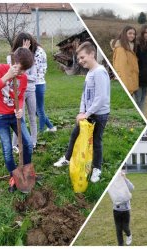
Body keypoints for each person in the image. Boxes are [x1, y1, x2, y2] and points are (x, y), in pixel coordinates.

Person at [53, 42, 110, 183]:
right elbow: (85, 95)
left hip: (99, 115)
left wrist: (87, 113)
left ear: (92, 54)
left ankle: (97, 169)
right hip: (88, 114)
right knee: (75, 135)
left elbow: (101, 98)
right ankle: (67, 158)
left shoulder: (100, 72)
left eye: (83, 57)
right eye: (78, 59)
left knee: (96, 141)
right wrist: (81, 112)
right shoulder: (89, 73)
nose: (80, 61)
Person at [0, 47, 34, 192]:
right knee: (8, 149)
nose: (22, 73)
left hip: (15, 116)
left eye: (24, 71)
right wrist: (7, 76)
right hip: (0, 116)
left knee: (28, 143)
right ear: (14, 62)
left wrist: (20, 108)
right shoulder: (1, 69)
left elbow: (20, 96)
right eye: (20, 69)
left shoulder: (24, 78)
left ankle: (26, 172)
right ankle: (14, 176)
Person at [8, 33, 38, 151]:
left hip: (31, 91)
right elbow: (12, 73)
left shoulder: (31, 59)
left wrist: (22, 73)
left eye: (28, 45)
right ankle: (14, 145)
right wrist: (22, 71)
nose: (26, 47)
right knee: (20, 118)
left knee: (32, 117)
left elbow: (34, 77)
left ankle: (33, 142)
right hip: (18, 91)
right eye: (24, 44)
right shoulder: (10, 58)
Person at [111, 26, 139, 96]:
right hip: (127, 85)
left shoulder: (130, 47)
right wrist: (128, 89)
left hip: (131, 82)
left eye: (134, 34)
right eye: (130, 33)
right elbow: (122, 70)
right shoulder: (121, 49)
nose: (132, 35)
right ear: (124, 34)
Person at [113, 169, 134, 246]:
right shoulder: (114, 183)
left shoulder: (125, 182)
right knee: (118, 229)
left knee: (125, 227)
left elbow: (132, 188)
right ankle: (120, 245)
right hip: (116, 209)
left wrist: (125, 178)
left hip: (125, 209)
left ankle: (129, 235)